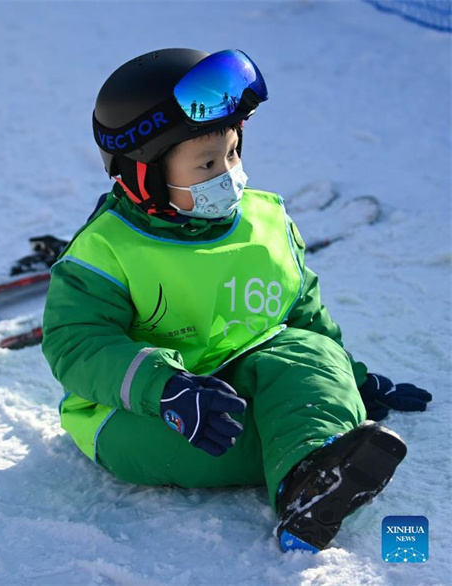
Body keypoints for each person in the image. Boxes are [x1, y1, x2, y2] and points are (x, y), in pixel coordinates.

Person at [41, 48, 432, 553]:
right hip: (143, 413)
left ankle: (309, 488)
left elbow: (303, 312)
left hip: (244, 373)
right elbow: (77, 344)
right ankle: (305, 449)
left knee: (310, 364)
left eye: (232, 153)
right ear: (144, 174)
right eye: (205, 163)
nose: (227, 174)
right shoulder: (106, 251)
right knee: (245, 434)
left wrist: (347, 380)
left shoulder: (265, 221)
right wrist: (168, 390)